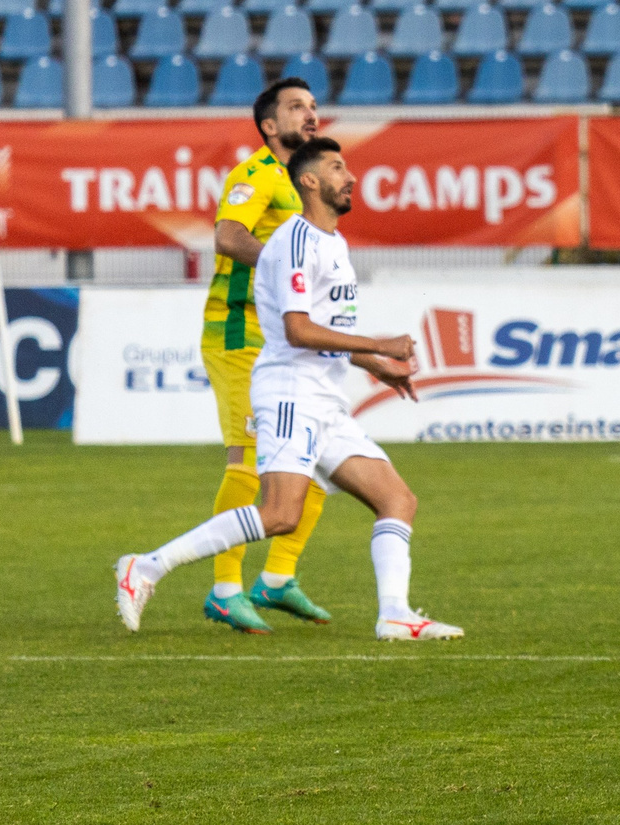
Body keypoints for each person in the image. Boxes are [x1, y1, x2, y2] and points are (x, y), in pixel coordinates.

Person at [116, 138, 460, 641]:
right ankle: (146, 567)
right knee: (279, 514)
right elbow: (298, 331)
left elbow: (321, 328)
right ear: (310, 181)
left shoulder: (333, 243)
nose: (351, 177)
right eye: (338, 168)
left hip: (324, 399)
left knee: (397, 500)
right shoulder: (295, 242)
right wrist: (378, 342)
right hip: (290, 395)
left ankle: (395, 615)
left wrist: (376, 364)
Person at [195, 78, 335, 634]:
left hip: (286, 344)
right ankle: (225, 589)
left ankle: (277, 579)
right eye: (297, 107)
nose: (311, 114)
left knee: (318, 462)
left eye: (314, 106)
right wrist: (283, 265)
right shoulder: (255, 175)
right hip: (239, 337)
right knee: (249, 465)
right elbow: (229, 236)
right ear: (269, 126)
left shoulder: (306, 185)